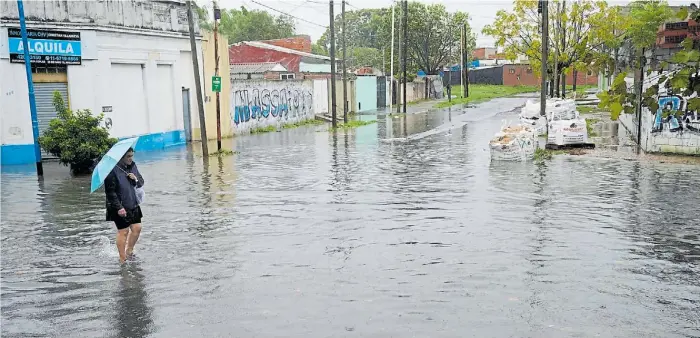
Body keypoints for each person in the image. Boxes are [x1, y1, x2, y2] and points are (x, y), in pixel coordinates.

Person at [105, 148, 144, 263]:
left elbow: (141, 182)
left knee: (137, 228)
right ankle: (122, 259)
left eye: (132, 156)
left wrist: (135, 179)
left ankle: (129, 251)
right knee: (124, 231)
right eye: (128, 156)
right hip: (119, 205)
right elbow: (110, 192)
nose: (130, 158)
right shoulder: (111, 171)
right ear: (121, 157)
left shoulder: (132, 166)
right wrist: (119, 207)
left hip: (132, 202)